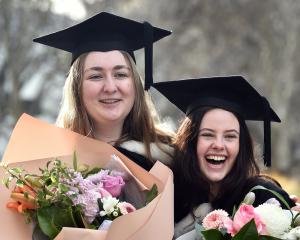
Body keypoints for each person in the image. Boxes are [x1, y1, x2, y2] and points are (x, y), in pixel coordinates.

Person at [153, 75, 296, 237]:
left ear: (241, 146)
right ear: (191, 141)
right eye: (208, 135)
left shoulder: (264, 198)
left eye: (230, 136)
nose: (219, 145)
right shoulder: (171, 200)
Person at [33, 12, 174, 171]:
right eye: (96, 76)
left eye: (120, 75)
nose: (110, 87)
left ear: (135, 84)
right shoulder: (49, 165)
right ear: (76, 88)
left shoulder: (173, 160)